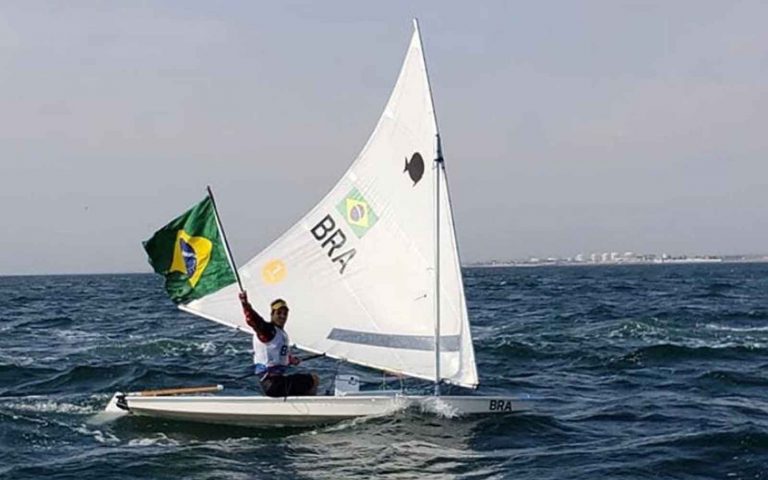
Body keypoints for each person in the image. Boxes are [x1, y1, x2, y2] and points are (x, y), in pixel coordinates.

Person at [238, 292, 319, 397]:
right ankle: (313, 408)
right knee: (313, 379)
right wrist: (245, 304)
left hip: (275, 383)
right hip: (273, 384)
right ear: (272, 314)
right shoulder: (268, 331)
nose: (282, 316)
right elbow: (253, 320)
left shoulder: (279, 333)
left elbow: (276, 353)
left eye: (285, 314)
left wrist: (290, 360)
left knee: (302, 382)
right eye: (279, 313)